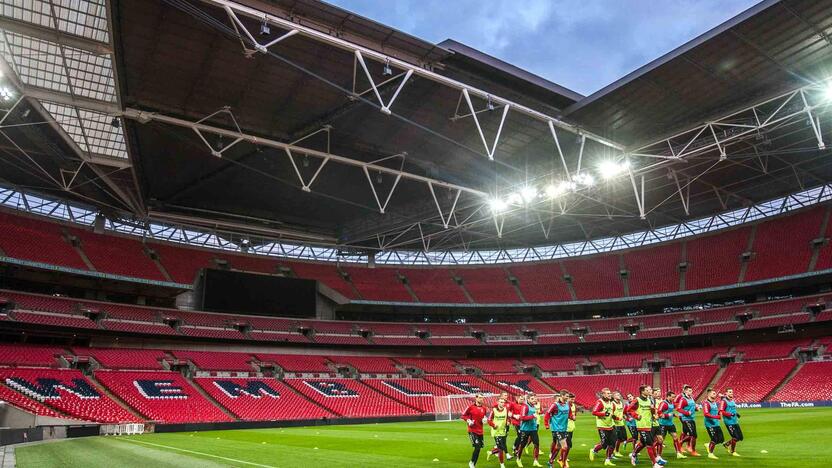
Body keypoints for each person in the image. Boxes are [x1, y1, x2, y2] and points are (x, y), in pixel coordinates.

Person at [626, 384, 665, 468]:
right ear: (642, 391)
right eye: (647, 390)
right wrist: (636, 416)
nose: (649, 391)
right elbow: (628, 409)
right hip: (641, 426)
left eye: (649, 390)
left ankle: (633, 455)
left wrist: (653, 415)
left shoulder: (648, 400)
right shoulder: (637, 400)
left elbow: (651, 410)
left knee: (643, 443)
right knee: (650, 444)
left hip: (649, 425)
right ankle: (654, 463)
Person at [544, 390, 573, 468]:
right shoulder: (555, 405)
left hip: (564, 429)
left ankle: (550, 461)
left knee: (558, 447)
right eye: (566, 396)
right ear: (562, 396)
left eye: (568, 396)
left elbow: (569, 413)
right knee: (565, 447)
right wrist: (546, 424)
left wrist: (572, 417)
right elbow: (547, 414)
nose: (568, 397)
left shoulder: (568, 405)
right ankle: (563, 464)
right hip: (556, 429)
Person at [589, 387, 617, 466]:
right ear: (603, 394)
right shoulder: (600, 402)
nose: (609, 394)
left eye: (610, 393)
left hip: (611, 425)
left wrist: (616, 418)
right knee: (604, 443)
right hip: (602, 426)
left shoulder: (612, 403)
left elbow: (611, 413)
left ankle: (607, 460)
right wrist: (603, 414)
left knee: (612, 443)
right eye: (608, 393)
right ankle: (593, 450)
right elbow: (594, 412)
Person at [515, 393, 543, 467]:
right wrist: (533, 416)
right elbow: (522, 418)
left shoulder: (533, 406)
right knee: (522, 445)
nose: (534, 400)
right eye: (532, 399)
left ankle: (536, 461)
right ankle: (518, 459)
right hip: (525, 429)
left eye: (534, 398)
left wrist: (535, 417)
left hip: (533, 428)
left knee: (536, 444)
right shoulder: (525, 407)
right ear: (528, 399)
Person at [462, 393, 489, 468]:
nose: (481, 399)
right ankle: (472, 463)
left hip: (480, 431)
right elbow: (463, 415)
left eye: (482, 398)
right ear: (476, 398)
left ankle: (473, 463)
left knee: (479, 448)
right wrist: (468, 420)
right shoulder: (470, 407)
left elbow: (484, 417)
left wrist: (485, 420)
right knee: (477, 447)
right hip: (472, 430)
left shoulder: (484, 408)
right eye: (480, 398)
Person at [657, 391, 686, 459]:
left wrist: (674, 414)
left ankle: (678, 453)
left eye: (674, 397)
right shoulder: (664, 403)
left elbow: (670, 412)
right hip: (663, 424)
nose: (673, 398)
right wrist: (667, 415)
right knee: (661, 440)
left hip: (670, 424)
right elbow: (659, 413)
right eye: (672, 397)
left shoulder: (671, 403)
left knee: (675, 437)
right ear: (668, 396)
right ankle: (658, 455)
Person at [674, 385, 700, 456]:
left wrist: (696, 409)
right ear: (685, 391)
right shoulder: (683, 399)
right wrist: (687, 413)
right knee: (693, 435)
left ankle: (681, 443)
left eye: (691, 391)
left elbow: (692, 407)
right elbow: (679, 408)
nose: (691, 392)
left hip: (691, 418)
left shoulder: (691, 398)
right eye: (689, 390)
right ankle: (692, 450)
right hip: (686, 419)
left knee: (692, 435)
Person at [489, 392, 513, 461]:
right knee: (502, 443)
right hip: (496, 428)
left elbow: (509, 414)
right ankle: (506, 455)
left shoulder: (509, 404)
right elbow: (491, 418)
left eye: (507, 395)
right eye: (505, 395)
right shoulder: (495, 406)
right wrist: (493, 425)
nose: (506, 396)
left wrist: (509, 421)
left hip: (505, 426)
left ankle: (492, 451)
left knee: (503, 441)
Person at [719, 388, 742, 457]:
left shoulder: (732, 401)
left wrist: (736, 413)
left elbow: (732, 409)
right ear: (726, 393)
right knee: (735, 437)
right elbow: (721, 411)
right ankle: (733, 451)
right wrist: (730, 414)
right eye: (730, 392)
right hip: (729, 422)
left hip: (735, 421)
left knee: (740, 437)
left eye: (732, 392)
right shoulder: (724, 401)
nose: (731, 393)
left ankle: (726, 444)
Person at [702, 388, 724, 460]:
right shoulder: (706, 403)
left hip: (716, 423)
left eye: (715, 393)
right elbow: (706, 414)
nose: (715, 394)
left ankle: (708, 444)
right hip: (709, 424)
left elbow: (716, 412)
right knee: (714, 438)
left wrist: (719, 414)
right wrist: (716, 417)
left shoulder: (714, 402)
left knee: (721, 439)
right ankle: (710, 454)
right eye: (713, 393)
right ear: (709, 394)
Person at [612, 391, 628, 458]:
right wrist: (618, 418)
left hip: (621, 424)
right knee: (615, 439)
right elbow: (611, 414)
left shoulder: (621, 403)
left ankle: (615, 451)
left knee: (623, 438)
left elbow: (621, 412)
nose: (619, 395)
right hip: (615, 424)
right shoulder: (612, 404)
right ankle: (614, 452)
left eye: (619, 394)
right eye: (617, 394)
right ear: (614, 396)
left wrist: (624, 416)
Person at [510, 393, 526, 458]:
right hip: (515, 422)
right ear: (517, 398)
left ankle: (515, 446)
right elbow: (508, 412)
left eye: (523, 399)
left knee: (522, 437)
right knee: (520, 435)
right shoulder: (513, 404)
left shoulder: (525, 405)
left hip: (523, 423)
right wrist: (514, 415)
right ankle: (516, 449)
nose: (522, 400)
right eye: (520, 399)